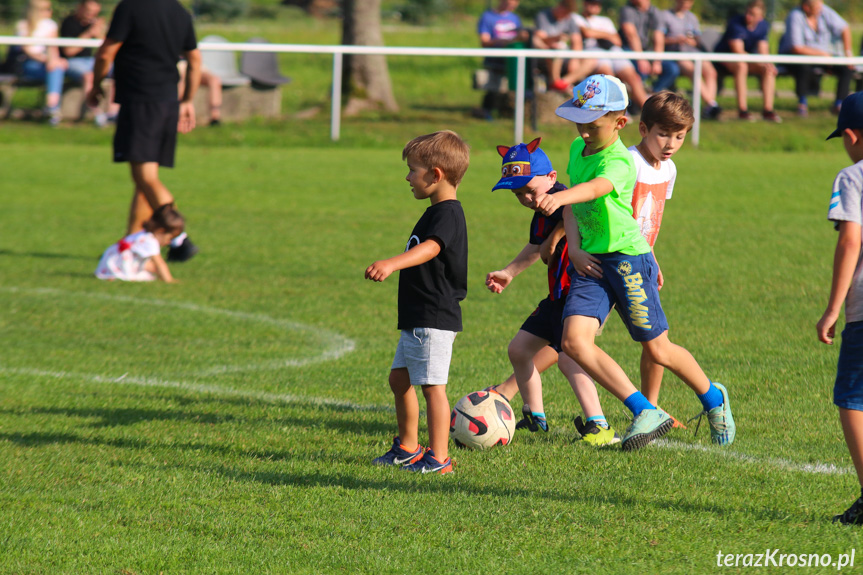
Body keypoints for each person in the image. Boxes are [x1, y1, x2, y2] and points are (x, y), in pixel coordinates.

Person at [533, 74, 735, 451]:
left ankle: (713, 399)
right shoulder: (579, 149)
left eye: (593, 125)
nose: (585, 131)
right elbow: (578, 205)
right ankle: (645, 409)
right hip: (591, 262)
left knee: (658, 350)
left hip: (626, 260)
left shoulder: (620, 161)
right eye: (579, 123)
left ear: (620, 123)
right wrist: (574, 248)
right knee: (574, 342)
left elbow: (598, 188)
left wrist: (559, 199)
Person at [486, 138, 619, 445]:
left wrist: (558, 233)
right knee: (518, 350)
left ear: (552, 178)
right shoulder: (541, 212)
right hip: (557, 295)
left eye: (530, 190)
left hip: (581, 291)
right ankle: (535, 417)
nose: (526, 199)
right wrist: (508, 272)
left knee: (570, 358)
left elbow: (577, 210)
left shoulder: (564, 197)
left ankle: (598, 424)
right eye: (518, 194)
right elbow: (536, 247)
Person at [366, 130, 470, 474]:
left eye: (413, 170)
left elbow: (432, 248)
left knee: (432, 388)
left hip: (433, 317)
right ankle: (408, 447)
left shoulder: (447, 214)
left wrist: (392, 262)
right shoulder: (433, 211)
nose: (408, 177)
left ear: (436, 174)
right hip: (418, 316)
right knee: (399, 380)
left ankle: (439, 458)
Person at [86, 0, 201, 262]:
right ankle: (131, 241)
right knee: (144, 180)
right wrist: (187, 101)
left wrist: (96, 84)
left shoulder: (131, 7)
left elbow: (106, 53)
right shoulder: (179, 12)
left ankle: (179, 238)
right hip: (168, 102)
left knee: (145, 176)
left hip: (141, 101)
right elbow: (195, 60)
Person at [817, 92, 863, 525]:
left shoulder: (853, 176)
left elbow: (851, 240)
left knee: (852, 397)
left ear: (851, 135)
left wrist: (833, 309)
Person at [778, 0, 853, 117]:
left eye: (820, 6)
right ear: (806, 7)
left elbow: (844, 28)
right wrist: (823, 55)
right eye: (816, 7)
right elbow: (796, 48)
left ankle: (839, 104)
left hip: (824, 57)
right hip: (799, 57)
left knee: (846, 69)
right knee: (804, 66)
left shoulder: (824, 11)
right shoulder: (795, 16)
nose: (820, 9)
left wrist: (847, 53)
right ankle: (802, 102)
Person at [572, 0, 649, 111]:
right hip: (594, 52)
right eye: (591, 3)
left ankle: (647, 111)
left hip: (613, 51)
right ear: (584, 4)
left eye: (597, 4)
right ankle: (616, 110)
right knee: (608, 77)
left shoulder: (606, 20)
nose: (594, 6)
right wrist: (607, 35)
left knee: (633, 77)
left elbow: (617, 41)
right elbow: (587, 33)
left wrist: (598, 34)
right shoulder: (576, 18)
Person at [714, 0, 781, 123]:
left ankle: (768, 110)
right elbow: (738, 51)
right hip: (724, 58)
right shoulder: (735, 23)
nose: (748, 16)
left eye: (753, 14)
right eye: (748, 12)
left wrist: (767, 64)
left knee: (768, 69)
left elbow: (763, 49)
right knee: (741, 66)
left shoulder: (763, 26)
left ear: (761, 17)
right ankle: (742, 110)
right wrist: (759, 62)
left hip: (747, 60)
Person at [661, 0, 721, 120]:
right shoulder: (665, 16)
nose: (686, 5)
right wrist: (676, 40)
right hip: (676, 54)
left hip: (693, 52)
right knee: (694, 71)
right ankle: (711, 104)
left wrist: (693, 41)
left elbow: (698, 40)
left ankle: (709, 106)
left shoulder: (692, 17)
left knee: (711, 72)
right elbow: (659, 39)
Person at [95, 204, 184, 282]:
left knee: (148, 273)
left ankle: (111, 274)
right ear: (161, 231)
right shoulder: (150, 241)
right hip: (118, 267)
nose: (169, 242)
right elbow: (159, 263)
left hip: (109, 263)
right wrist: (168, 279)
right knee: (147, 278)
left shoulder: (142, 234)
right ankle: (116, 275)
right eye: (170, 238)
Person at [59, 0, 112, 126]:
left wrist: (100, 33)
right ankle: (97, 114)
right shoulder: (69, 23)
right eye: (88, 12)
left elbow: (105, 50)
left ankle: (112, 114)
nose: (91, 15)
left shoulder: (94, 23)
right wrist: (88, 34)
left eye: (94, 13)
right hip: (72, 62)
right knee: (89, 76)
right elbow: (69, 51)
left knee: (118, 72)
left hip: (90, 61)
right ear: (80, 7)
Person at [15, 0, 66, 125]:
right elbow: (27, 50)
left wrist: (54, 61)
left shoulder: (51, 25)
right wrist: (48, 60)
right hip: (28, 63)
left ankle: (51, 107)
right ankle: (52, 109)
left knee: (55, 68)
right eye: (46, 9)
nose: (50, 12)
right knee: (54, 68)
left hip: (46, 64)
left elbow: (52, 48)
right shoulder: (23, 25)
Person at [476, 0, 530, 119]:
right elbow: (485, 41)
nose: (512, 6)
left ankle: (521, 109)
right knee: (495, 87)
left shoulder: (515, 17)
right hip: (496, 58)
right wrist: (508, 41)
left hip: (515, 58)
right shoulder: (487, 16)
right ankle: (487, 111)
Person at [533, 0, 596, 92]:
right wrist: (556, 38)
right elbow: (540, 38)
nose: (566, 16)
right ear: (560, 7)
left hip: (564, 54)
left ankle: (561, 83)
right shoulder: (543, 15)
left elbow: (577, 41)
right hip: (547, 54)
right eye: (565, 12)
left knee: (591, 60)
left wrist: (574, 59)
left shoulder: (570, 19)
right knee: (557, 50)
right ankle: (555, 81)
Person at [618, 0, 679, 94]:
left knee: (672, 69)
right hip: (628, 50)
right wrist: (641, 59)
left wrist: (657, 61)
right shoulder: (627, 10)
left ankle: (652, 96)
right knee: (640, 72)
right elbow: (631, 36)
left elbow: (658, 37)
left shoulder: (655, 12)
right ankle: (637, 101)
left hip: (646, 51)